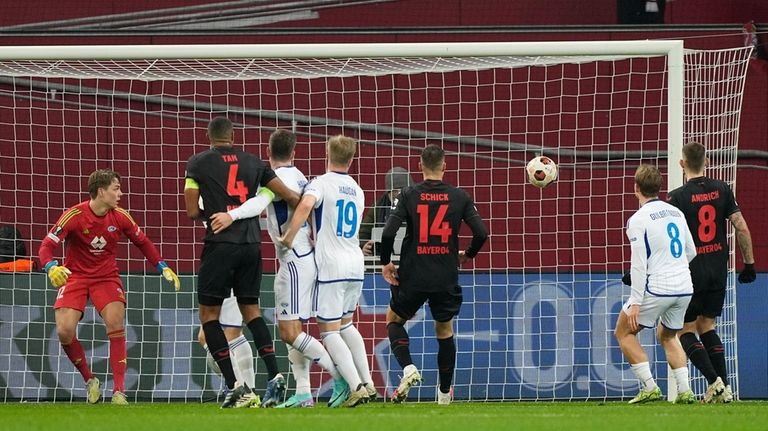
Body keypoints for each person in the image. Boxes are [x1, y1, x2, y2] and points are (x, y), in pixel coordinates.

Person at [210, 129, 347, 408]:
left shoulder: (276, 179)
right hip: (302, 257)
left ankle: (340, 377)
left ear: (268, 152)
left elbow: (258, 203)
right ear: (294, 153)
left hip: (294, 260)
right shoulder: (299, 175)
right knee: (294, 330)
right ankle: (304, 392)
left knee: (290, 333)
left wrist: (230, 214)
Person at [184, 116, 300, 409]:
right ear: (233, 135)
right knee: (252, 311)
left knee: (209, 316)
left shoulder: (197, 163)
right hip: (251, 245)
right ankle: (274, 375)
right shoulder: (255, 163)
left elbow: (190, 211)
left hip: (220, 245)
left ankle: (236, 387)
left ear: (209, 137)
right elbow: (287, 195)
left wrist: (211, 211)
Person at [38, 169, 180, 405]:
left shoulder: (121, 216)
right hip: (76, 276)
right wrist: (51, 267)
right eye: (116, 188)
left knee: (115, 324)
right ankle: (90, 379)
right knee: (64, 331)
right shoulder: (73, 215)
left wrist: (162, 266)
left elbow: (142, 242)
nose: (120, 193)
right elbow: (45, 246)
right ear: (101, 191)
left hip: (106, 277)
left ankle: (118, 391)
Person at [380, 144, 487, 405]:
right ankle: (443, 394)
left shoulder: (408, 194)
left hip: (414, 273)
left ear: (420, 166)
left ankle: (408, 368)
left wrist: (386, 263)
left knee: (394, 320)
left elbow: (387, 233)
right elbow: (481, 233)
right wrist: (468, 255)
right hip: (445, 275)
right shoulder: (460, 196)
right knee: (444, 331)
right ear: (445, 166)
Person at [279, 134, 373, 408]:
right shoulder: (357, 189)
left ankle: (355, 386)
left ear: (327, 154)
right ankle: (367, 382)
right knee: (347, 324)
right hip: (356, 262)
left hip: (332, 263)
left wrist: (289, 236)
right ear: (352, 159)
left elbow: (306, 204)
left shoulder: (319, 183)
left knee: (329, 331)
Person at [667, 142, 757, 403]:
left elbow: (670, 238)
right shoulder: (722, 189)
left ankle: (713, 381)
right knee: (707, 326)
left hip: (691, 271)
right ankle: (725, 389)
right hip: (718, 268)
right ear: (706, 162)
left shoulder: (676, 197)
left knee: (684, 330)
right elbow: (741, 226)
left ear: (682, 164)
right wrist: (749, 263)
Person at [614, 164, 697, 405]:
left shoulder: (637, 220)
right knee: (668, 335)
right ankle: (685, 391)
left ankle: (649, 387)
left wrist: (636, 303)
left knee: (624, 332)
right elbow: (690, 251)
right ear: (659, 187)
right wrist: (672, 266)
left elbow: (638, 265)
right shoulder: (676, 212)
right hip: (684, 287)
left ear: (636, 188)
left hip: (657, 288)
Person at [197, 293, 255, 398]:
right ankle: (248, 391)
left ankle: (242, 392)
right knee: (233, 335)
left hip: (222, 284)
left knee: (222, 336)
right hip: (232, 284)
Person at [360, 167, 413, 257]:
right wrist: (363, 245)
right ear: (388, 193)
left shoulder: (418, 205)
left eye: (402, 191)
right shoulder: (379, 207)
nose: (399, 196)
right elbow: (362, 234)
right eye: (395, 192)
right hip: (385, 258)